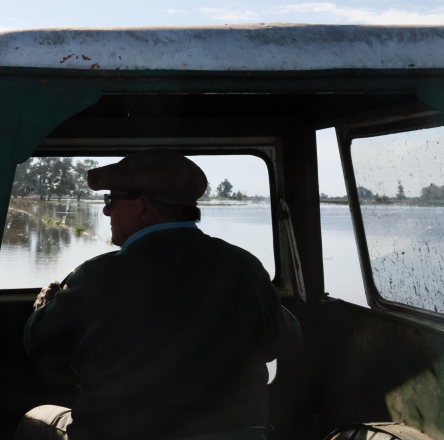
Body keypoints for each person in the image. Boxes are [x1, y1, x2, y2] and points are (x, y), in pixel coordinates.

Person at [17, 149, 296, 440]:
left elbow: (38, 341)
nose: (106, 211)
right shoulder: (245, 266)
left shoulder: (97, 276)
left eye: (111, 200)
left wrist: (43, 307)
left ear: (143, 206)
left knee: (32, 421)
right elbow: (286, 343)